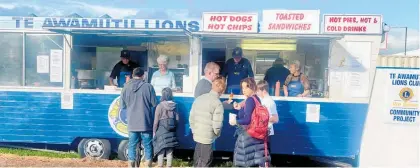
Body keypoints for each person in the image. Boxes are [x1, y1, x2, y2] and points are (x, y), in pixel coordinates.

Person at [120, 68, 157, 168]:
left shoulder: (126, 87)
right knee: (148, 145)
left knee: (132, 145)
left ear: (132, 75)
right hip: (145, 121)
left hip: (132, 122)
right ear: (143, 76)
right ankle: (148, 164)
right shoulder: (148, 87)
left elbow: (122, 106)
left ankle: (131, 164)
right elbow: (154, 103)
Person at [230, 77, 270, 167]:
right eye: (242, 88)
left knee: (246, 162)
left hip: (248, 135)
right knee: (254, 162)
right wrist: (241, 109)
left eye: (246, 87)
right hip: (257, 134)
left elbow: (247, 120)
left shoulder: (249, 100)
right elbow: (251, 115)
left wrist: (235, 121)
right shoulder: (257, 99)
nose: (243, 90)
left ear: (252, 87)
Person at [189, 77, 226, 167]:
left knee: (197, 160)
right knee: (206, 161)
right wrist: (217, 134)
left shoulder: (200, 98)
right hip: (208, 137)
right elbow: (217, 125)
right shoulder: (217, 103)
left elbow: (191, 118)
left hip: (197, 135)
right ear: (222, 90)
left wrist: (194, 130)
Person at [153, 87, 179, 168]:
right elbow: (177, 119)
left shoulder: (160, 106)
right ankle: (169, 166)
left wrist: (154, 131)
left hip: (161, 130)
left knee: (160, 150)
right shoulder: (175, 105)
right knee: (170, 151)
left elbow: (156, 121)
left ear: (163, 95)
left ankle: (160, 166)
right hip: (172, 130)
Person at [256, 80, 279, 154]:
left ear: (264, 91)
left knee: (264, 153)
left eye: (258, 91)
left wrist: (262, 118)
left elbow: (275, 119)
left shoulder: (267, 102)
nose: (257, 93)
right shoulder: (266, 100)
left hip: (265, 131)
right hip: (265, 131)